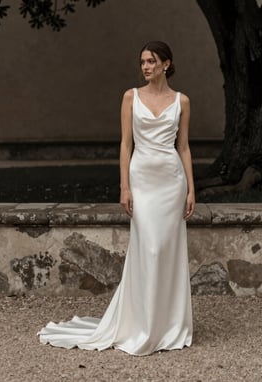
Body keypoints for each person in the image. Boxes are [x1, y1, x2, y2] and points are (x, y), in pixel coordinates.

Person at [38, 40, 195, 356]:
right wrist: (124, 186)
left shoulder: (182, 101)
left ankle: (167, 325)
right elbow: (125, 145)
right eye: (142, 62)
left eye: (151, 61)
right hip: (142, 180)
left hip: (171, 181)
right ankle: (143, 324)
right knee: (149, 247)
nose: (145, 67)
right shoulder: (130, 97)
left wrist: (192, 189)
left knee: (167, 250)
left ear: (166, 64)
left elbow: (184, 147)